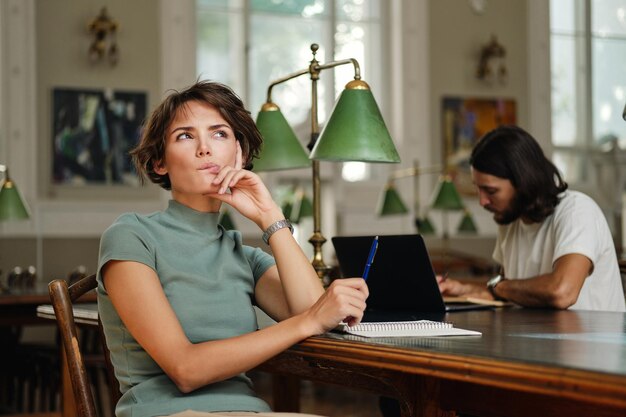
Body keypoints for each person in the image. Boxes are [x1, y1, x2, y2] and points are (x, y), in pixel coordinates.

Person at [96, 80, 369, 417]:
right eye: (185, 135)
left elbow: (316, 311)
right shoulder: (130, 235)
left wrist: (269, 214)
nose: (204, 148)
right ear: (159, 163)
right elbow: (186, 369)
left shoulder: (244, 255)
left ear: (240, 153)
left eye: (219, 134)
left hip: (249, 411)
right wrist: (311, 319)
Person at [438, 125, 625, 312]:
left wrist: (501, 287)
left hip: (593, 340)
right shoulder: (511, 220)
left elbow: (562, 292)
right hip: (540, 338)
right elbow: (513, 292)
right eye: (478, 189)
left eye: (491, 190)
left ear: (523, 182)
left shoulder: (577, 211)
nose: (482, 201)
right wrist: (462, 289)